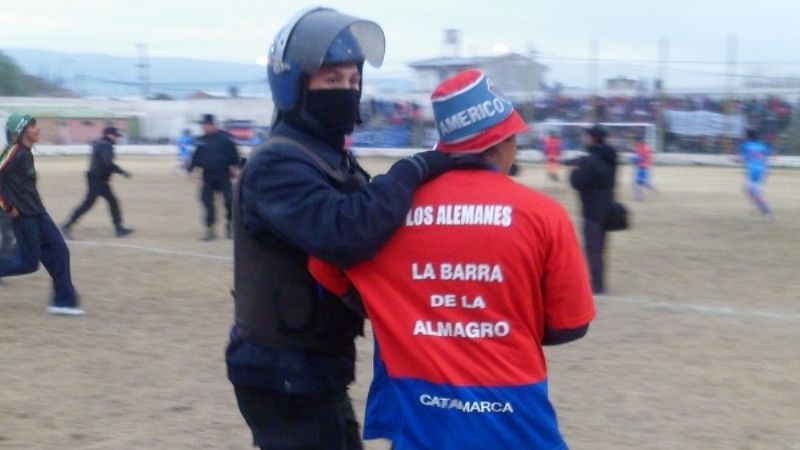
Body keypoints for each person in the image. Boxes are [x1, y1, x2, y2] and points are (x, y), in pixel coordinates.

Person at [308, 69, 596, 450]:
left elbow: (327, 269)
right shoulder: (543, 214)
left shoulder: (384, 212)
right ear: (503, 141)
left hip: (421, 418)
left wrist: (401, 313)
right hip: (516, 421)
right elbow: (570, 325)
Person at [225, 7, 459, 450]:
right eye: (332, 81)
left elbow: (383, 226)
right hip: (282, 369)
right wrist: (416, 167)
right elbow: (345, 232)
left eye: (353, 81)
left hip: (313, 365)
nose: (347, 92)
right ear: (294, 84)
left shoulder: (325, 158)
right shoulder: (279, 162)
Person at [0, 113, 84, 315]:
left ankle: (63, 302)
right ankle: (64, 300)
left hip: (38, 213)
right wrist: (8, 207)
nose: (38, 129)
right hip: (24, 217)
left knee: (59, 251)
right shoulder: (14, 152)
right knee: (27, 263)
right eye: (32, 127)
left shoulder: (27, 153)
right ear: (20, 131)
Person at [569, 124, 618, 294]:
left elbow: (576, 182)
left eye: (588, 135)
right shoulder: (610, 157)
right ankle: (599, 283)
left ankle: (596, 285)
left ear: (594, 138)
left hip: (591, 210)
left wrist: (576, 168)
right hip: (607, 208)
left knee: (592, 250)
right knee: (600, 249)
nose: (585, 138)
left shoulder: (590, 161)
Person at [62, 127, 134, 238]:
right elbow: (107, 163)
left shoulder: (101, 143)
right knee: (88, 204)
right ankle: (66, 225)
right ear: (109, 135)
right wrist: (121, 171)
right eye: (115, 135)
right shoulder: (106, 145)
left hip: (98, 179)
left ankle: (119, 228)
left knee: (111, 202)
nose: (116, 138)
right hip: (97, 179)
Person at [187, 114, 240, 240]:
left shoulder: (226, 138)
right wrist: (191, 171)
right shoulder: (201, 140)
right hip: (208, 178)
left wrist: (235, 166)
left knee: (229, 202)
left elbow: (234, 154)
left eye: (206, 125)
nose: (204, 127)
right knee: (207, 204)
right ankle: (210, 230)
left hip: (224, 176)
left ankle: (230, 227)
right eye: (203, 125)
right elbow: (196, 157)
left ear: (213, 124)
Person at [739, 128, 772, 216]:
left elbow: (742, 158)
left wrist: (735, 160)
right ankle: (762, 208)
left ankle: (766, 209)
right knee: (749, 190)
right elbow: (767, 155)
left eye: (744, 135)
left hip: (752, 170)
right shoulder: (762, 144)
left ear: (748, 136)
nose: (743, 136)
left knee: (753, 192)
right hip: (763, 169)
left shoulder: (745, 145)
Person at [632, 135, 655, 200]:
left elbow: (642, 158)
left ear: (639, 141)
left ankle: (640, 196)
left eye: (635, 141)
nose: (634, 143)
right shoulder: (640, 148)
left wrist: (636, 159)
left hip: (642, 167)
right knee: (639, 182)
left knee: (639, 183)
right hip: (643, 167)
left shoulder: (642, 149)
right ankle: (647, 185)